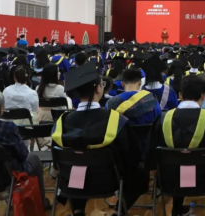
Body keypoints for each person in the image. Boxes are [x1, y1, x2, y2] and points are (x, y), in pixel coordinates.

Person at [51, 62, 148, 213]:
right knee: (141, 173)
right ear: (98, 89)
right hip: (108, 182)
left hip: (73, 182)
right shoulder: (115, 120)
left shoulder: (62, 122)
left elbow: (57, 163)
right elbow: (132, 158)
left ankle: (78, 210)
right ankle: (120, 211)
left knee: (77, 164)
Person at [146, 76, 205, 216]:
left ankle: (177, 207)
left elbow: (150, 157)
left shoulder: (162, 120)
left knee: (177, 162)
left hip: (170, 180)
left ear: (180, 95)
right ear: (203, 96)